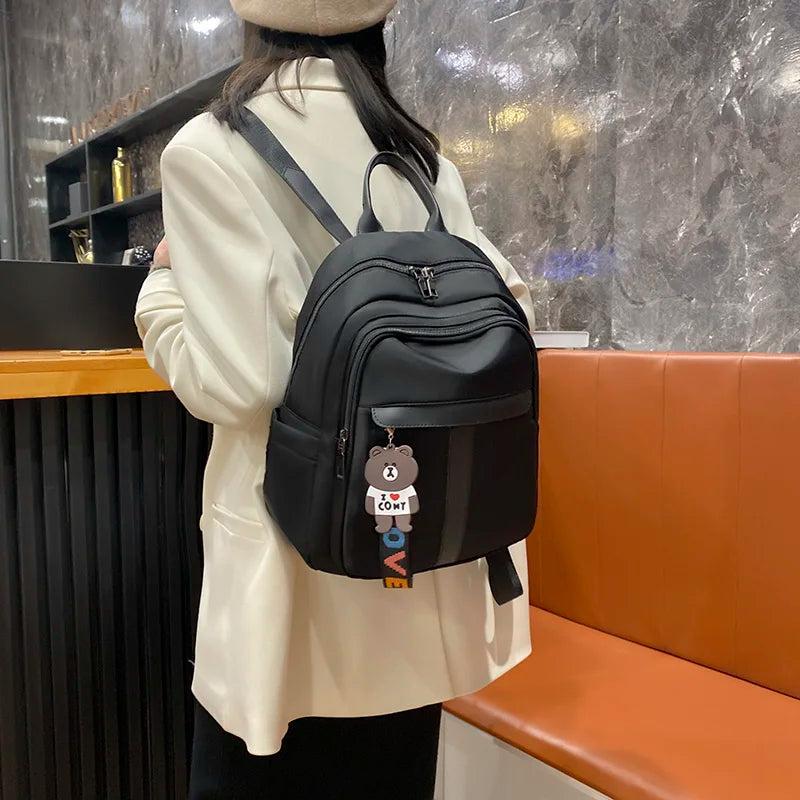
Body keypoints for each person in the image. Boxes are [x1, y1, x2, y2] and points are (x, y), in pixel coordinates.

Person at [135, 1, 535, 797]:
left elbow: (241, 383)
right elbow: (506, 311)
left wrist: (161, 291)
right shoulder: (416, 155)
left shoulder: (208, 148)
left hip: (295, 586)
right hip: (418, 560)